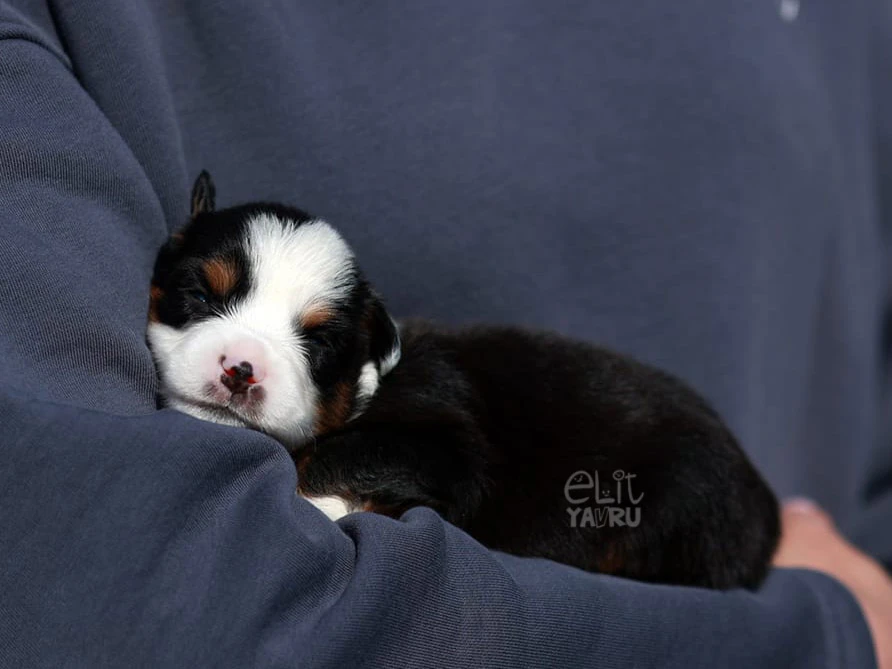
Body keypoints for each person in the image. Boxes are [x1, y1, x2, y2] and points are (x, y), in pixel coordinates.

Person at [0, 1, 889, 666]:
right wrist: (813, 640)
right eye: (207, 299)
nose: (242, 361)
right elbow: (137, 592)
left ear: (364, 361)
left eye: (312, 344)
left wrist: (843, 625)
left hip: (670, 499)